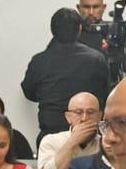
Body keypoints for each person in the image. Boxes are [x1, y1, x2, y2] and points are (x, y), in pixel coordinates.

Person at [21, 8, 109, 143]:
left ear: (52, 30)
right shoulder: (96, 59)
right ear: (79, 28)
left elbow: (28, 92)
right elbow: (105, 95)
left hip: (50, 136)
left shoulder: (39, 61)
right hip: (88, 136)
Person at [37, 92, 104, 169]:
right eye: (78, 112)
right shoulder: (51, 141)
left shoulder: (107, 144)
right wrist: (72, 142)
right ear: (68, 117)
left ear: (99, 116)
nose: (84, 118)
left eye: (91, 112)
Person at [76, 0, 126, 76]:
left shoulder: (113, 30)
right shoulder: (72, 33)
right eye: (86, 7)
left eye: (96, 7)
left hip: (111, 87)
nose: (91, 12)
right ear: (78, 8)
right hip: (81, 87)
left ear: (103, 8)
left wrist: (121, 42)